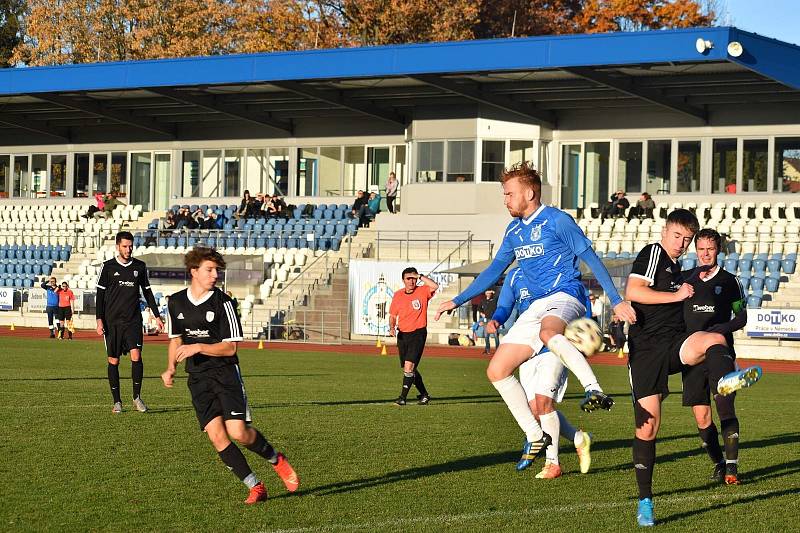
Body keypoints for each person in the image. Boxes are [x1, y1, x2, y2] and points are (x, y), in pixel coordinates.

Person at [435, 161, 637, 470]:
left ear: (530, 192)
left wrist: (617, 300)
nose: (506, 200)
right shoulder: (514, 230)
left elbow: (591, 259)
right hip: (536, 307)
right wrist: (457, 299)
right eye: (505, 194)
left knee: (548, 333)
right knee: (497, 370)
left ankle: (593, 388)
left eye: (509, 194)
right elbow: (493, 270)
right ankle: (534, 434)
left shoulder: (557, 221)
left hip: (566, 295)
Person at [624, 209, 763, 527]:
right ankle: (645, 501)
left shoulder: (683, 269)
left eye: (687, 239)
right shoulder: (653, 253)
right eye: (678, 237)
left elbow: (737, 315)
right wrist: (676, 294)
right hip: (646, 352)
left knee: (714, 338)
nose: (682, 244)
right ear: (665, 232)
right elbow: (633, 292)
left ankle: (725, 380)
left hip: (675, 344)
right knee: (648, 428)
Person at [160, 247, 299, 504]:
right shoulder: (176, 302)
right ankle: (255, 486)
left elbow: (231, 346)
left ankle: (275, 458)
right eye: (209, 270)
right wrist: (171, 368)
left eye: (217, 270)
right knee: (216, 436)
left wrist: (199, 346)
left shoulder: (223, 303)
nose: (214, 275)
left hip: (225, 374)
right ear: (194, 271)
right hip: (198, 378)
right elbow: (176, 339)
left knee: (239, 433)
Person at [489, 267, 593, 479]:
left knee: (544, 402)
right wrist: (496, 319)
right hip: (527, 347)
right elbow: (504, 306)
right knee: (535, 409)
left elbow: (582, 307)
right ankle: (578, 438)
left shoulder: (560, 272)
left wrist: (583, 336)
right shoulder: (515, 276)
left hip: (553, 346)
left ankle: (552, 463)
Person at [681, 229, 749, 486]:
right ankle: (719, 465)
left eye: (710, 249)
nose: (705, 254)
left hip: (720, 353)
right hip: (692, 357)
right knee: (702, 418)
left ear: (718, 249)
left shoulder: (731, 281)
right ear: (695, 250)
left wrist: (721, 329)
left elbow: (741, 316)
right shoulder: (686, 280)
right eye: (701, 249)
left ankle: (732, 468)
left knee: (724, 406)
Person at [96, 230, 163, 414]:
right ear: (117, 246)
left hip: (133, 320)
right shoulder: (108, 267)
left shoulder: (139, 267)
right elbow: (100, 295)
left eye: (131, 246)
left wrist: (156, 315)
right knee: (113, 361)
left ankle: (137, 398)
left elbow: (148, 292)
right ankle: (117, 402)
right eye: (125, 246)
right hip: (112, 322)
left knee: (137, 356)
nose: (128, 249)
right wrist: (99, 320)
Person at [388, 267, 439, 406]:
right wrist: (392, 327)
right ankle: (424, 395)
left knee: (408, 367)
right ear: (403, 280)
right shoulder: (398, 295)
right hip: (403, 335)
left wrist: (421, 276)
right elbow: (393, 315)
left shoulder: (422, 291)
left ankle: (402, 398)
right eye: (408, 278)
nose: (411, 281)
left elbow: (435, 286)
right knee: (409, 368)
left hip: (418, 333)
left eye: (413, 278)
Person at [479, 289, 500, 354]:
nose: (489, 294)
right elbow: (479, 308)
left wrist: (494, 292)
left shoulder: (494, 300)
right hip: (486, 320)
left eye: (490, 293)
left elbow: (498, 296)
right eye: (487, 293)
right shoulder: (483, 300)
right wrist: (481, 313)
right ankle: (487, 349)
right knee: (486, 335)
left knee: (495, 336)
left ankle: (497, 350)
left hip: (493, 319)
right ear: (485, 294)